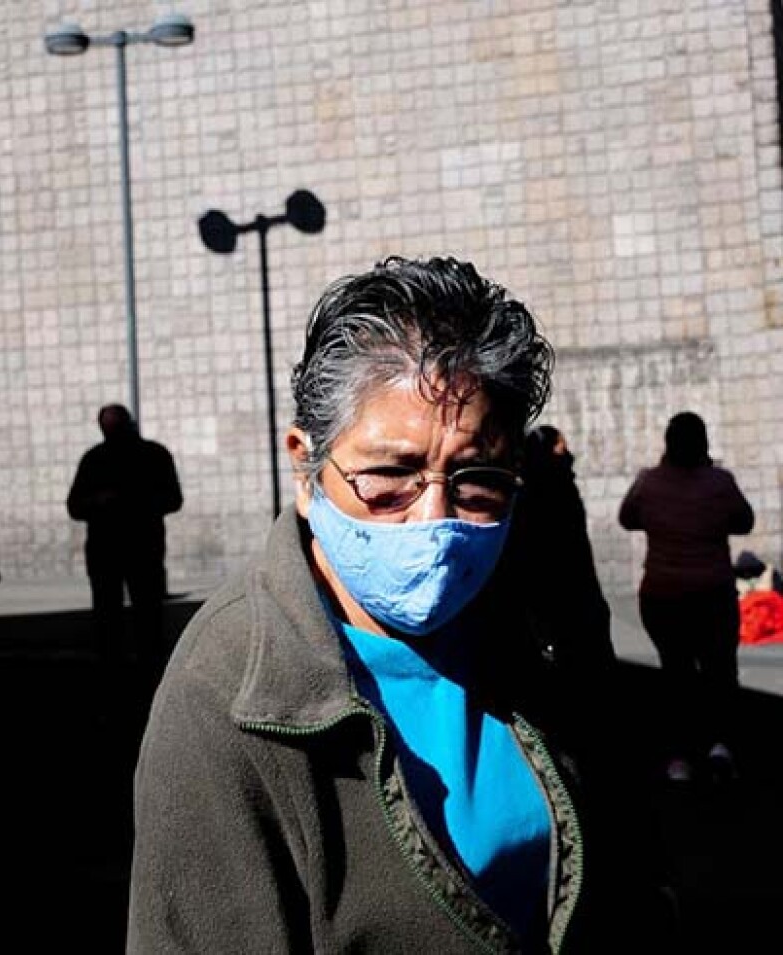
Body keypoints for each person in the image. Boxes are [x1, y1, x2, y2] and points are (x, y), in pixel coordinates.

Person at [129, 256, 667, 952]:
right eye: (390, 475)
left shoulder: (532, 618)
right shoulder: (226, 691)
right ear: (304, 463)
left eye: (477, 480)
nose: (432, 521)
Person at [619, 411, 755, 782]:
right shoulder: (720, 482)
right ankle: (720, 747)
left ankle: (679, 757)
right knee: (720, 671)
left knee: (675, 674)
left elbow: (627, 518)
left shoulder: (649, 483)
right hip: (713, 594)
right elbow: (745, 521)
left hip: (663, 596)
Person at [67, 404, 183, 687]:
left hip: (138, 549)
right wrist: (99, 502)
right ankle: (118, 674)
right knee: (116, 616)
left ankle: (144, 673)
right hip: (114, 551)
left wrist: (137, 502)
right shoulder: (97, 460)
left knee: (144, 615)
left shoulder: (152, 456)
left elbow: (173, 499)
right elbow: (75, 506)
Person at [498, 424, 615, 690]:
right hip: (569, 596)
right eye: (562, 449)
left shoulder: (526, 494)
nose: (568, 455)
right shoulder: (555, 489)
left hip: (557, 597)